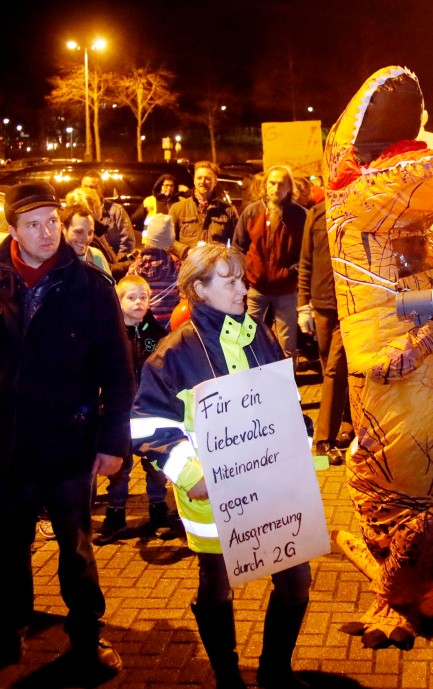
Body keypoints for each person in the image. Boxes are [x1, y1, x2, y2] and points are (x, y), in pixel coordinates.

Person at [0, 181, 134, 676]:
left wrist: (114, 442)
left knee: (76, 550)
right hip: (2, 450)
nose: (48, 233)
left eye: (52, 221)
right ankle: (8, 631)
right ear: (11, 230)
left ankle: (87, 636)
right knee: (6, 551)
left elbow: (117, 370)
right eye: (34, 224)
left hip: (70, 446)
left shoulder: (91, 287)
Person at [132, 244, 312, 689]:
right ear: (199, 290)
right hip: (209, 496)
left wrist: (300, 440)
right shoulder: (174, 352)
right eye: (229, 281)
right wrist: (190, 474)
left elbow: (285, 399)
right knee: (217, 587)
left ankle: (275, 672)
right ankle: (227, 677)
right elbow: (146, 424)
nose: (242, 287)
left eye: (241, 278)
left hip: (272, 487)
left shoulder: (261, 334)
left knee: (296, 582)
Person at [95, 274, 172, 545]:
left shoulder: (157, 334)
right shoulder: (110, 336)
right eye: (131, 297)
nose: (139, 302)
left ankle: (158, 509)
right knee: (120, 467)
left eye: (144, 297)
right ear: (119, 301)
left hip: (150, 411)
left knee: (154, 463)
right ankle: (115, 514)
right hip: (120, 415)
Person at [297, 200, 352, 466]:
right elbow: (306, 260)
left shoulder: (359, 209)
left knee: (335, 370)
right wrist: (302, 304)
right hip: (321, 304)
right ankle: (345, 423)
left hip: (349, 303)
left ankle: (323, 441)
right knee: (328, 367)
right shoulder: (316, 214)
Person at [234, 164, 307, 363]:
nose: (276, 188)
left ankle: (288, 390)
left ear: (289, 188)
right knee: (247, 340)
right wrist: (244, 274)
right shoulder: (252, 212)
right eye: (272, 183)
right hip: (256, 289)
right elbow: (239, 246)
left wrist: (293, 272)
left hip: (286, 290)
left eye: (281, 184)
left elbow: (307, 252)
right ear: (265, 185)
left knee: (287, 345)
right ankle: (252, 387)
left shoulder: (300, 216)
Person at [130, 213, 183, 329]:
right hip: (169, 326)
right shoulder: (176, 266)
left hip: (143, 326)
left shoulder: (136, 267)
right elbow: (183, 296)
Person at [171, 160, 238, 250]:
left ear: (215, 182)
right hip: (188, 262)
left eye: (207, 178)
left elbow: (237, 244)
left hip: (216, 262)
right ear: (194, 181)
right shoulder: (178, 209)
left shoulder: (228, 210)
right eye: (199, 178)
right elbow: (168, 241)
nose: (202, 181)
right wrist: (185, 252)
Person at [80, 172, 136, 259]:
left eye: (92, 187)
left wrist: (116, 264)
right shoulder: (77, 212)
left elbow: (127, 244)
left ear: (101, 189)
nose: (87, 190)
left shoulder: (116, 211)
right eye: (84, 186)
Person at [60, 205, 112, 276]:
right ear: (63, 229)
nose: (86, 238)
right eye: (79, 232)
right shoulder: (53, 261)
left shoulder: (96, 256)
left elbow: (110, 286)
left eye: (90, 233)